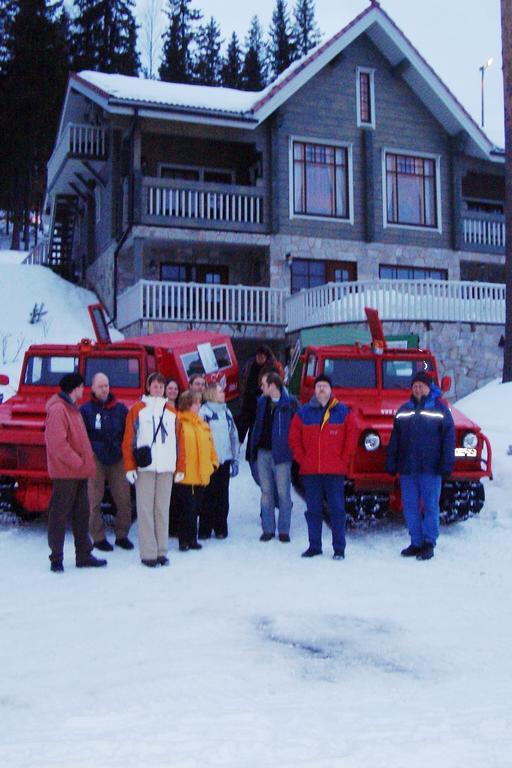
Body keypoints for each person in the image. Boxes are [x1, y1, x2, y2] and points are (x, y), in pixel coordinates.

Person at [386, 371, 455, 561]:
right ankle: (416, 542)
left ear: (428, 387)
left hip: (431, 468)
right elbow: (396, 439)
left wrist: (447, 464)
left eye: (421, 386)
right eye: (414, 386)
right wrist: (392, 462)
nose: (417, 389)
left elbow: (449, 438)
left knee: (431, 506)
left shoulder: (440, 409)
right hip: (408, 468)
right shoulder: (404, 410)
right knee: (410, 507)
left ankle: (428, 542)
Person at [45, 372, 107, 573]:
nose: (84, 389)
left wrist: (82, 464)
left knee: (82, 515)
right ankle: (56, 558)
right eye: (81, 386)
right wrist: (78, 461)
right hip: (66, 473)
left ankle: (83, 554)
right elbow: (57, 444)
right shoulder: (58, 410)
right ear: (74, 388)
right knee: (59, 515)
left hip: (78, 472)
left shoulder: (72, 408)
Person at [122, 372, 182, 567]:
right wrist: (130, 466)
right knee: (145, 509)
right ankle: (148, 552)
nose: (158, 390)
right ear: (148, 388)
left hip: (166, 467)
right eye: (155, 386)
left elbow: (180, 442)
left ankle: (161, 550)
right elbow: (129, 439)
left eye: (161, 387)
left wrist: (180, 466)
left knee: (162, 509)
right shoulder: (137, 410)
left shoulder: (172, 413)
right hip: (146, 467)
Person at [289, 374, 350, 560]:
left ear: (331, 390)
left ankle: (339, 548)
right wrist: (303, 459)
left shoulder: (342, 411)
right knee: (313, 510)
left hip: (334, 472)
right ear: (314, 390)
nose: (321, 389)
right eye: (318, 386)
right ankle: (314, 546)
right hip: (311, 472)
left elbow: (351, 437)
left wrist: (342, 459)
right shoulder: (303, 413)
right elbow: (293, 439)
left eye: (324, 386)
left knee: (337, 510)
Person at [80, 372, 133, 552]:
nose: (104, 389)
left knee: (124, 498)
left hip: (117, 457)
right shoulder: (85, 410)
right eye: (101, 386)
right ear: (93, 388)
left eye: (107, 385)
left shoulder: (120, 409)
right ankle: (98, 537)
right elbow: (82, 435)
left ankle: (122, 534)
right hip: (96, 458)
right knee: (94, 499)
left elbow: (129, 431)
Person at [249, 371, 297, 542]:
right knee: (266, 492)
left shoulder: (289, 403)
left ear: (272, 385)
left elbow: (296, 429)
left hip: (282, 454)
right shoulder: (262, 402)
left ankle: (284, 530)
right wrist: (252, 449)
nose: (261, 388)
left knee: (283, 492)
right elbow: (256, 426)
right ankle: (268, 528)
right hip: (263, 453)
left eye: (263, 384)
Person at [175, 390, 218, 551]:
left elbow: (210, 445)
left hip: (202, 474)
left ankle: (192, 538)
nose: (199, 405)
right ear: (187, 404)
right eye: (196, 402)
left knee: (196, 508)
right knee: (186, 508)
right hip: (186, 474)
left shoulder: (203, 424)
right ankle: (183, 539)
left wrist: (213, 463)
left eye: (199, 402)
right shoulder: (178, 422)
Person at [199, 383, 240, 539]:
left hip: (224, 461)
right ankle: (204, 529)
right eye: (220, 391)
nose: (223, 393)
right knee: (207, 496)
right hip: (208, 462)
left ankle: (221, 527)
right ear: (211, 394)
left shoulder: (226, 412)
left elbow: (233, 436)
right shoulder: (204, 413)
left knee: (222, 496)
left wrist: (235, 459)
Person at [238, 345, 284, 445]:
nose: (259, 359)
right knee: (240, 429)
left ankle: (250, 455)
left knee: (253, 432)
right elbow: (243, 379)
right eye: (258, 356)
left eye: (262, 357)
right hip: (247, 401)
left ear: (266, 357)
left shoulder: (271, 368)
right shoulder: (250, 365)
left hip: (259, 402)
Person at [166, 378, 181, 536]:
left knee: (176, 492)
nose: (173, 391)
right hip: (165, 455)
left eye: (175, 389)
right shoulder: (161, 408)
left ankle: (175, 525)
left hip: (177, 455)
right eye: (170, 388)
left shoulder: (180, 408)